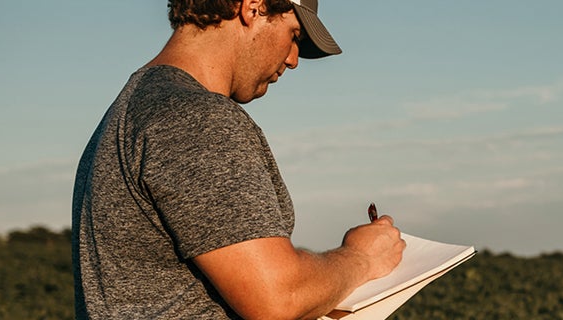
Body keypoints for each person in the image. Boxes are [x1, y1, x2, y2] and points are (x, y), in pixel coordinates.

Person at [70, 0, 405, 318]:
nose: (293, 59)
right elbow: (277, 298)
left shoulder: (130, 111)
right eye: (294, 35)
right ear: (252, 7)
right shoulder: (196, 118)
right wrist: (360, 257)